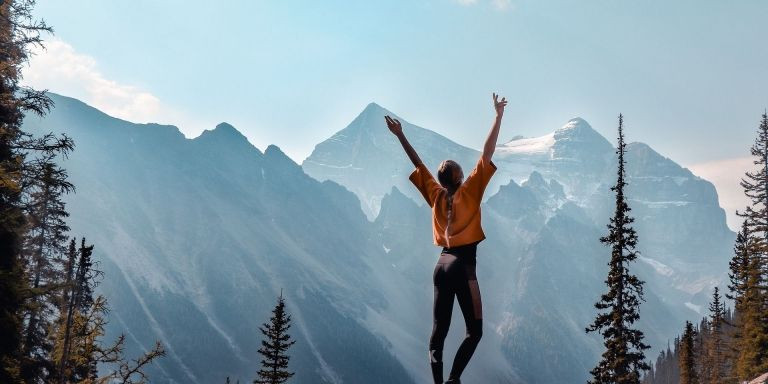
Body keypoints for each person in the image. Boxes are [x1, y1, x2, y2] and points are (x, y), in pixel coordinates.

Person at [385, 93, 507, 384]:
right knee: (474, 331)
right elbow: (487, 153)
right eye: (460, 169)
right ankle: (454, 379)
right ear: (459, 177)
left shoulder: (436, 195)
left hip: (441, 265)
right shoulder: (469, 192)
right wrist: (498, 116)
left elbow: (418, 164)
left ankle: (438, 382)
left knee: (439, 329)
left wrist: (400, 135)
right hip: (463, 265)